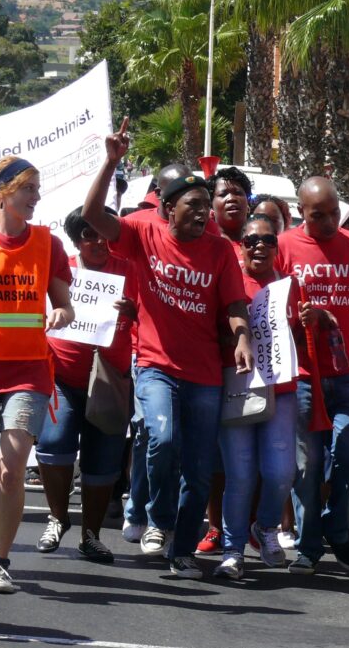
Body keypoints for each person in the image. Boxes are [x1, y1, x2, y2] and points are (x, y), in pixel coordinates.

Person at [83, 119, 253, 579]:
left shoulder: (219, 251)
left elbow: (235, 304)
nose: (204, 214)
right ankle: (157, 520)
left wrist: (242, 338)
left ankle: (181, 550)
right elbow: (94, 216)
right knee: (161, 438)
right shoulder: (142, 233)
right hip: (156, 364)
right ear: (168, 209)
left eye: (207, 207)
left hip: (204, 375)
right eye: (194, 205)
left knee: (198, 468)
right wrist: (110, 161)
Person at [0, 155, 74, 594]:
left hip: (28, 375)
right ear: (2, 192)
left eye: (37, 189)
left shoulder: (49, 244)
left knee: (10, 470)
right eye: (29, 188)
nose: (36, 197)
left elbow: (64, 302)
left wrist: (61, 311)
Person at [276, 176, 349, 576]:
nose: (327, 222)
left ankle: (337, 528)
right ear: (301, 214)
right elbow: (269, 308)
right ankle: (309, 546)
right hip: (304, 376)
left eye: (334, 213)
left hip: (347, 377)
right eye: (317, 215)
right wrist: (296, 323)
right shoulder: (284, 247)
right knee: (306, 467)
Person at [35, 206, 136, 563]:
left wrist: (133, 311)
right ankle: (57, 518)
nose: (97, 242)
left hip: (110, 379)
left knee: (103, 461)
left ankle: (90, 535)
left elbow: (149, 316)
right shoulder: (63, 270)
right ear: (76, 240)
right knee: (53, 442)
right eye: (88, 235)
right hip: (62, 376)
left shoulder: (129, 270)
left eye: (102, 234)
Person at [215, 214, 299, 579]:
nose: (259, 246)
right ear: (241, 245)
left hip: (281, 390)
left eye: (268, 240)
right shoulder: (228, 282)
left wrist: (309, 319)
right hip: (238, 387)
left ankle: (265, 527)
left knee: (282, 472)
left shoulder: (289, 286)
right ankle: (233, 551)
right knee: (241, 475)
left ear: (278, 246)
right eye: (251, 241)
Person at [196, 166, 253, 556]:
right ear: (211, 205)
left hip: (258, 364)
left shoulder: (266, 240)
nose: (231, 198)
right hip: (210, 362)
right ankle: (216, 527)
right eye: (223, 193)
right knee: (216, 455)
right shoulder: (203, 244)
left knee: (256, 452)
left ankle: (249, 525)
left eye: (239, 192)